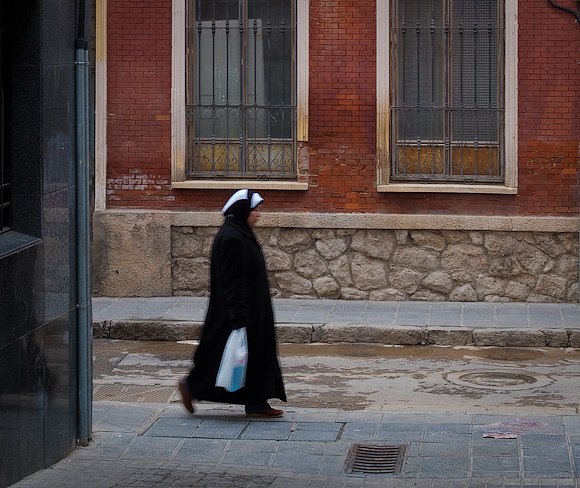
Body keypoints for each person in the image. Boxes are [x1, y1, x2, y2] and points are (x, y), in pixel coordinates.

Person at [178, 189, 287, 418]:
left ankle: (257, 402)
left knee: (251, 357)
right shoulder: (232, 238)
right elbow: (233, 281)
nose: (258, 214)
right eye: (254, 210)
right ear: (242, 211)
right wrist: (240, 317)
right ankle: (191, 387)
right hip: (238, 312)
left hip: (249, 310)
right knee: (222, 358)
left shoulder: (239, 233)